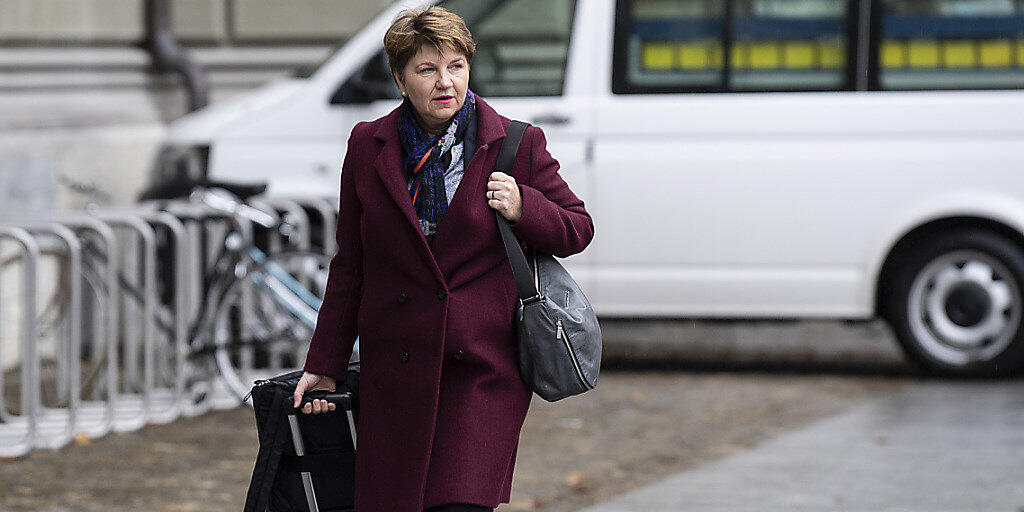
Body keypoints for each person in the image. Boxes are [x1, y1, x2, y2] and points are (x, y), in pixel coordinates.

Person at [291, 6, 594, 512]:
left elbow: (577, 227)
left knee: (460, 503)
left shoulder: (515, 142)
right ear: (400, 78)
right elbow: (352, 263)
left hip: (480, 367)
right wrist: (325, 363)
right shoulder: (370, 144)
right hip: (397, 369)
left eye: (455, 66)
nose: (444, 82)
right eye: (427, 70)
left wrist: (525, 207)